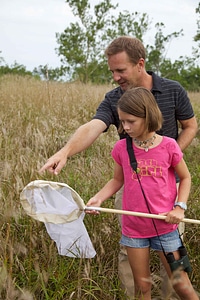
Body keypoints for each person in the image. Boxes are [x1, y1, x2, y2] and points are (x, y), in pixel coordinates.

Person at [39, 36, 198, 298]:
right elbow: (95, 126)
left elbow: (190, 126)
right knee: (135, 268)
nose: (115, 77)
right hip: (133, 192)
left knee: (177, 275)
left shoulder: (173, 90)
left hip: (169, 194)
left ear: (140, 64)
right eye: (111, 71)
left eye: (120, 70)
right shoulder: (115, 100)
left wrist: (167, 159)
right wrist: (65, 151)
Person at [85, 87, 199, 300]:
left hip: (165, 226)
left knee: (181, 285)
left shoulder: (169, 146)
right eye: (122, 121)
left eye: (131, 121)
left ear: (148, 116)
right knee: (142, 288)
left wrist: (179, 207)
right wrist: (99, 198)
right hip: (134, 230)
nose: (125, 127)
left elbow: (186, 178)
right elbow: (117, 180)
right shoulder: (121, 148)